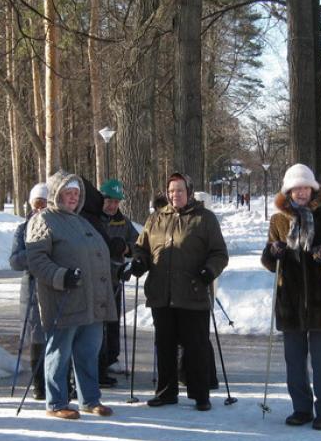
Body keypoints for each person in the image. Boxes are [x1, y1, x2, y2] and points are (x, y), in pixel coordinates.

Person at [260, 163, 321, 431]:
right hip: (290, 300)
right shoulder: (279, 220)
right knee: (294, 360)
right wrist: (273, 252)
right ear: (288, 191)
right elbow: (268, 260)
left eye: (305, 188)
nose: (301, 192)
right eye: (295, 188)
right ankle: (300, 408)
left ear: (312, 189)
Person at [130, 173, 228, 411]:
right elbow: (142, 247)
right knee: (164, 346)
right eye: (172, 191)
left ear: (190, 191)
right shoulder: (155, 219)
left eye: (180, 190)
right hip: (161, 294)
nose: (175, 195)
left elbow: (219, 253)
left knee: (196, 346)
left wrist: (209, 271)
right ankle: (166, 392)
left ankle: (200, 394)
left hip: (193, 293)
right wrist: (140, 261)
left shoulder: (204, 219)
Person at [25, 170, 117, 419]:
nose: (73, 197)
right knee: (59, 352)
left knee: (88, 352)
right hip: (64, 299)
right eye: (68, 192)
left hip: (92, 302)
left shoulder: (82, 221)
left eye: (77, 193)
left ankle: (89, 399)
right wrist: (60, 275)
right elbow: (36, 260)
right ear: (56, 193)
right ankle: (56, 403)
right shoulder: (43, 220)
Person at [81, 178, 139, 379]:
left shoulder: (123, 222)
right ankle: (95, 363)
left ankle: (111, 359)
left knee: (112, 321)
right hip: (92, 280)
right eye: (109, 201)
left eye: (116, 202)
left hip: (114, 279)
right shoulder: (89, 218)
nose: (112, 205)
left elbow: (138, 245)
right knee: (95, 323)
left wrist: (125, 248)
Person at [9, 182, 49, 400]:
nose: (40, 209)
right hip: (32, 289)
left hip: (54, 288)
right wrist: (35, 256)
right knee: (37, 339)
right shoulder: (22, 229)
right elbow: (15, 260)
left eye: (45, 203)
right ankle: (38, 385)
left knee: (59, 338)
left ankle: (61, 381)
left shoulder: (58, 226)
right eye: (37, 203)